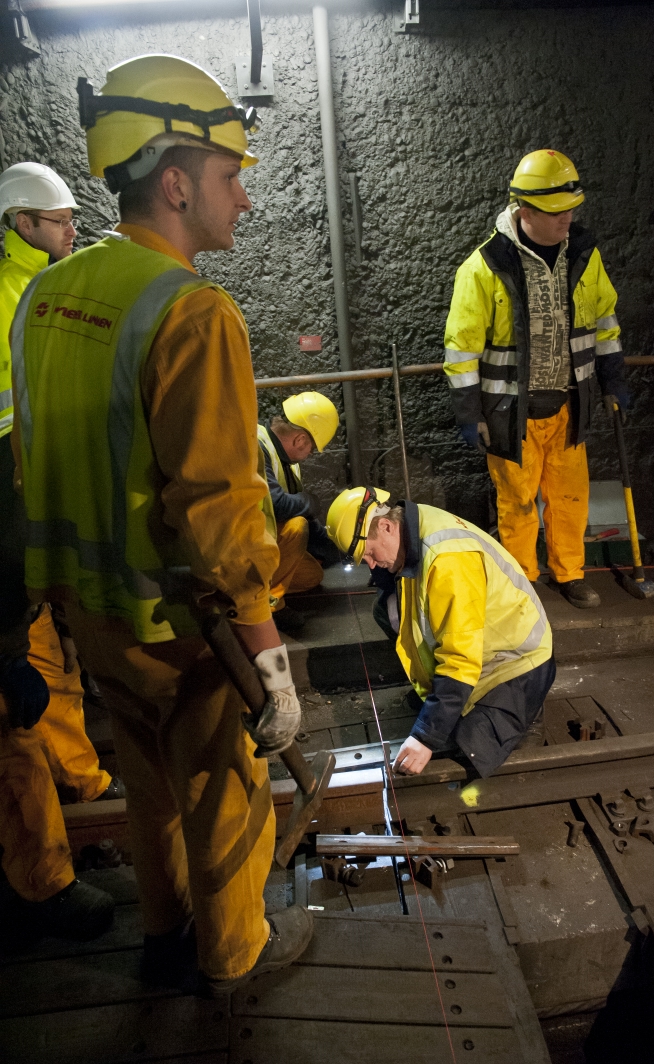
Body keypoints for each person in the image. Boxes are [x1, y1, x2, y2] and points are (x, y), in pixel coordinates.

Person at [11, 55, 313, 991]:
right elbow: (220, 518)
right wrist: (269, 664)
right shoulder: (191, 312)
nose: (245, 202)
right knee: (227, 793)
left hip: (91, 621)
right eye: (232, 178)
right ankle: (235, 958)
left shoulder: (46, 296)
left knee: (145, 788)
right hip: (183, 629)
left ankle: (163, 933)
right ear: (175, 181)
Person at [0, 163, 124, 941]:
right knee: (13, 714)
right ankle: (40, 883)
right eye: (59, 219)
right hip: (6, 526)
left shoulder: (45, 286)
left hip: (25, 523)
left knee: (50, 671)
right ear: (22, 223)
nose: (72, 228)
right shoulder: (14, 298)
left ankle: (85, 796)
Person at [443, 150, 628, 608]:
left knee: (569, 500)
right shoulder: (484, 267)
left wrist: (613, 381)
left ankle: (570, 574)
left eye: (572, 207)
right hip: (512, 413)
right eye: (557, 210)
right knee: (518, 504)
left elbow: (605, 322)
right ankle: (522, 582)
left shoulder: (584, 257)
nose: (568, 217)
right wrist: (469, 413)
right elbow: (461, 349)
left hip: (570, 405)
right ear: (525, 209)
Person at [326, 487, 555, 778]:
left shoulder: (448, 560)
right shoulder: (412, 524)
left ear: (385, 526)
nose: (370, 564)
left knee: (471, 744)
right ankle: (441, 695)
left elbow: (460, 658)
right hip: (482, 642)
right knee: (386, 609)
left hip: (515, 661)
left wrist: (425, 737)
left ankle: (529, 715)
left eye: (369, 553)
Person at [258, 391, 340, 634]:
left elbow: (302, 513)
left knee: (310, 576)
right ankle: (269, 605)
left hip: (266, 540)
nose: (310, 455)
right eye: (313, 448)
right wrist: (310, 502)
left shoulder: (284, 460)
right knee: (296, 527)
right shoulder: (255, 445)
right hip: (243, 544)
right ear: (301, 440)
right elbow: (278, 505)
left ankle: (251, 592)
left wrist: (336, 548)